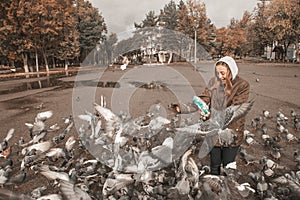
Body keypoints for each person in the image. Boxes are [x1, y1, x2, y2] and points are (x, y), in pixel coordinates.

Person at [198, 56, 250, 175]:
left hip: (231, 130)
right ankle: (215, 189)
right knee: (214, 164)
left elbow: (236, 108)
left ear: (231, 71)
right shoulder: (213, 82)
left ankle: (227, 189)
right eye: (217, 73)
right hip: (214, 130)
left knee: (228, 166)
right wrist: (202, 105)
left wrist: (212, 114)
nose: (219, 76)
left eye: (223, 73)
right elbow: (205, 96)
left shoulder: (242, 85)